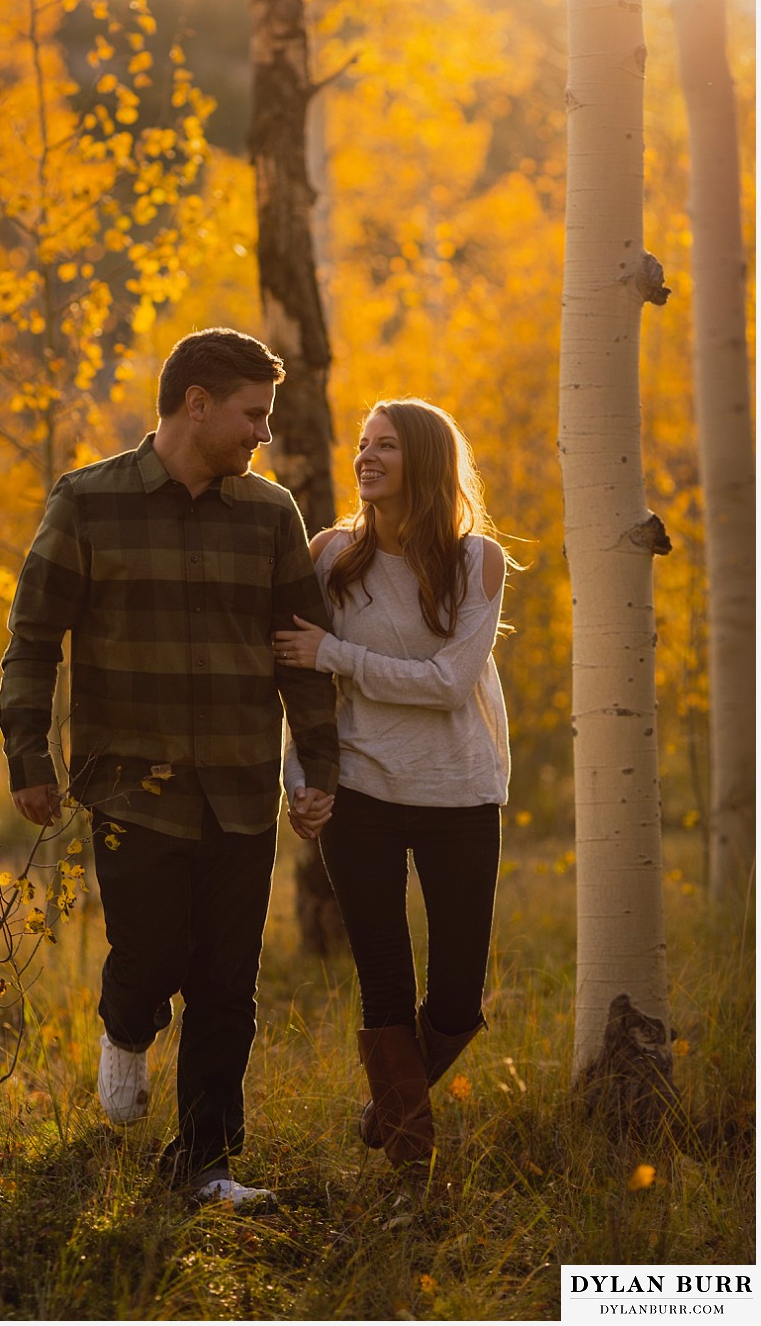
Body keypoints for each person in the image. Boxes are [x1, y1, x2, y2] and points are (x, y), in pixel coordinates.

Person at [0, 327, 339, 1207]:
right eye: (250, 414)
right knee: (150, 956)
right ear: (197, 404)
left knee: (228, 983)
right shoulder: (87, 501)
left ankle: (207, 1163)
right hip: (129, 787)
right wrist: (29, 755)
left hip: (238, 788)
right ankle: (125, 1023)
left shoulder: (270, 513)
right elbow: (33, 639)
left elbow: (302, 652)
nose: (261, 434)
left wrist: (316, 770)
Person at [273, 397, 510, 1187]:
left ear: (428, 464)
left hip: (461, 791)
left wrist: (336, 653)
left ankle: (385, 1109)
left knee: (455, 998)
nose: (365, 457)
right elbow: (297, 681)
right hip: (362, 788)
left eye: (386, 447)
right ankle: (413, 1167)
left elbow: (448, 686)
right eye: (363, 444)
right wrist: (299, 776)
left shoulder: (478, 561)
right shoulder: (331, 554)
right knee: (382, 973)